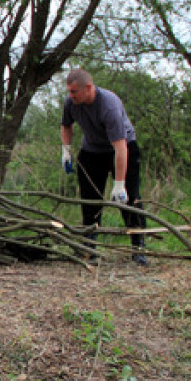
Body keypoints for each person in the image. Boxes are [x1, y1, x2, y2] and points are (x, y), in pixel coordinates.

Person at [60, 68, 148, 265]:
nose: (71, 95)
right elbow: (66, 125)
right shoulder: (71, 103)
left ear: (88, 88)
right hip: (92, 150)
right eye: (69, 91)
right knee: (90, 199)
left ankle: (138, 247)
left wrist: (119, 184)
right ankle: (89, 247)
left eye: (74, 91)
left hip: (122, 149)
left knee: (130, 199)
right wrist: (66, 150)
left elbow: (120, 148)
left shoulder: (109, 105)